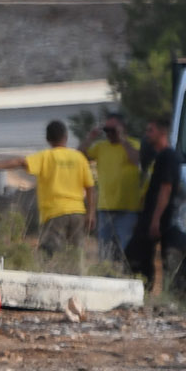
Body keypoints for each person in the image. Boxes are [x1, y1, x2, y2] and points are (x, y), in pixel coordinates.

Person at [131, 115, 186, 301]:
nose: (147, 134)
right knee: (141, 255)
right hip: (153, 217)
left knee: (147, 257)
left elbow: (166, 188)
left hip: (162, 219)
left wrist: (155, 219)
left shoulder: (169, 156)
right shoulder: (159, 157)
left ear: (162, 132)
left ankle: (151, 293)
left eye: (150, 130)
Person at [21, 117, 96, 268]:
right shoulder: (78, 158)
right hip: (77, 212)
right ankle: (77, 283)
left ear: (48, 139)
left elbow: (21, 162)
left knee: (50, 254)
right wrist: (91, 213)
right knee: (76, 255)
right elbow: (90, 187)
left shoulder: (46, 156)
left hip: (55, 213)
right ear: (66, 137)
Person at [88, 114, 147, 266]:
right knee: (105, 252)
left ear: (122, 129)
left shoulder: (135, 144)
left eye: (112, 130)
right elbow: (79, 155)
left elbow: (136, 160)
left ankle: (126, 278)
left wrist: (123, 141)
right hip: (105, 209)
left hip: (128, 210)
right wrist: (91, 137)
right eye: (106, 130)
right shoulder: (101, 147)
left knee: (127, 250)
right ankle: (106, 280)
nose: (109, 134)